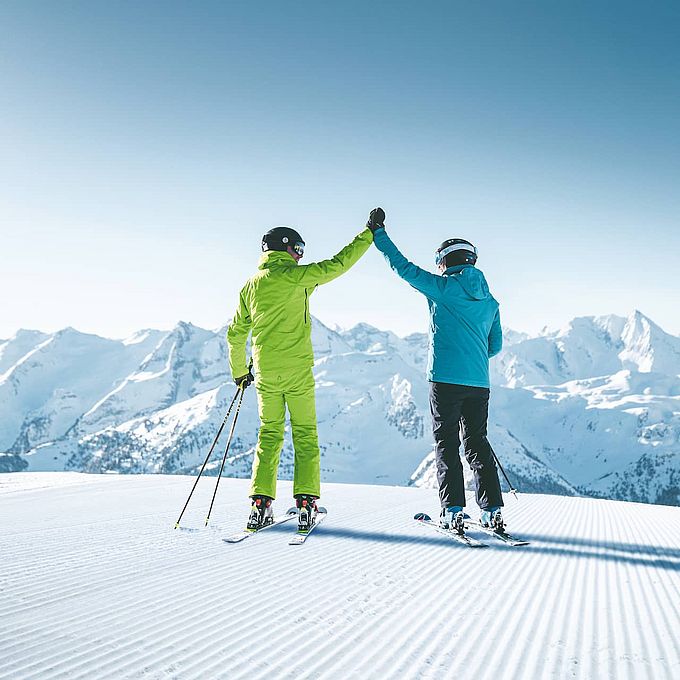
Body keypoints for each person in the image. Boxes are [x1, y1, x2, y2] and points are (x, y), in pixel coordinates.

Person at [367, 207, 505, 534]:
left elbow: (403, 268)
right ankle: (492, 512)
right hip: (479, 383)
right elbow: (495, 346)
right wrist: (472, 356)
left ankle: (453, 511)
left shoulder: (442, 289)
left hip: (444, 380)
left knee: (446, 445)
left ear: (446, 261)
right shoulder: (491, 301)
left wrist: (379, 233)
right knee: (477, 444)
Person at [227, 222, 373, 531]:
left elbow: (236, 334)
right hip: (297, 373)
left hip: (265, 373)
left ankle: (260, 506)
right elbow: (339, 264)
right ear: (286, 247)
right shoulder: (297, 277)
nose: (300, 255)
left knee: (269, 435)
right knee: (305, 434)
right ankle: (306, 505)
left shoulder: (250, 286)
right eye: (299, 249)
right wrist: (369, 233)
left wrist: (240, 372)